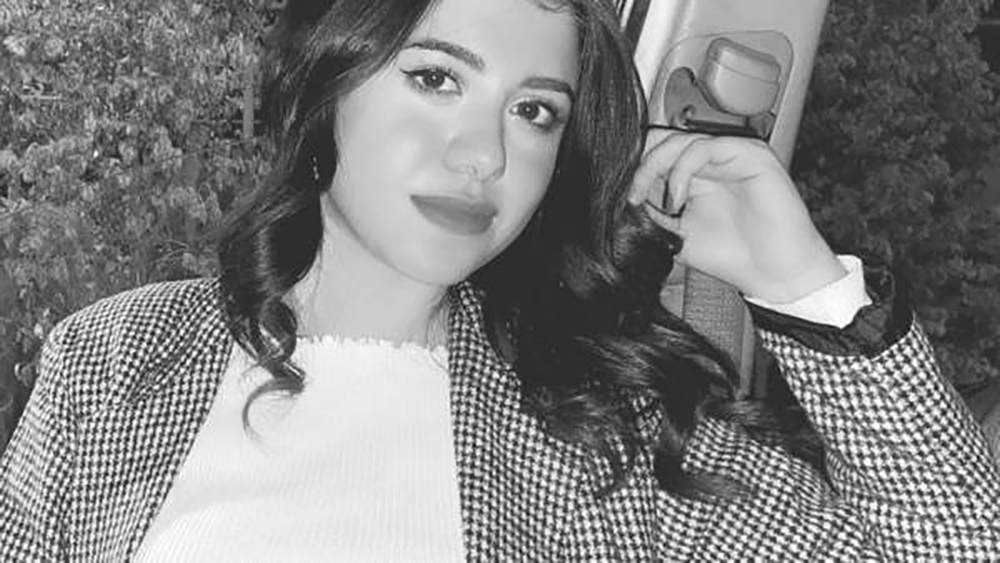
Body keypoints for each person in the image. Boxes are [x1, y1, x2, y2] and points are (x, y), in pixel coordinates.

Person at [1, 0, 998, 559]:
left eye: (535, 112)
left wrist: (806, 285)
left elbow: (953, 541)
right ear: (326, 84)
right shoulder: (113, 360)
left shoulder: (598, 423)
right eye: (437, 78)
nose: (485, 153)